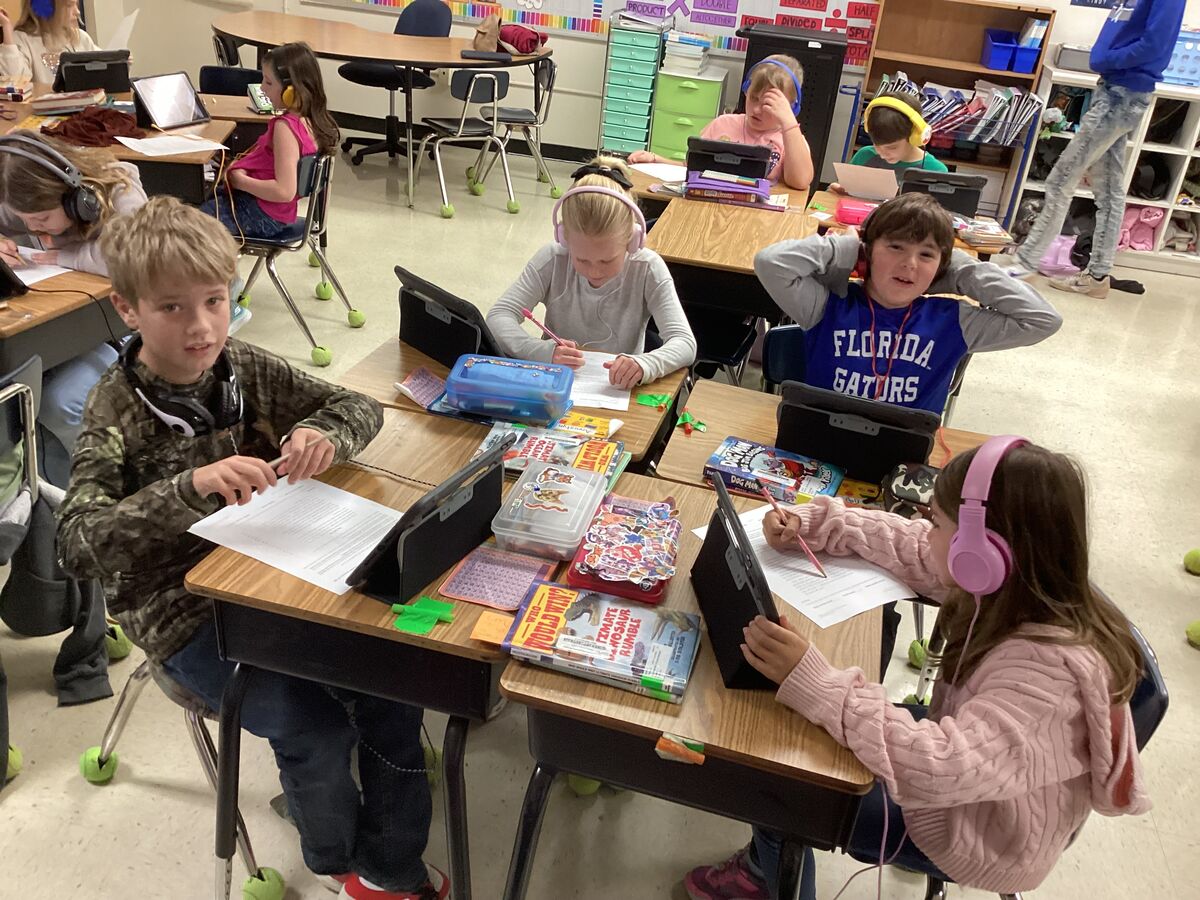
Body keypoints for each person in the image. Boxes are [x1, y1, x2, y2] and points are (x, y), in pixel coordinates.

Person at [57, 197, 447, 900]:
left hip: (274, 568)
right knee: (315, 727)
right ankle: (333, 860)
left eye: (215, 299)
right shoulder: (113, 407)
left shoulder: (241, 366)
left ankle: (390, 865)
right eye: (173, 308)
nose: (202, 325)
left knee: (397, 683)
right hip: (181, 613)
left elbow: (358, 406)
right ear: (128, 310)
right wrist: (186, 488)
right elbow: (79, 545)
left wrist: (323, 435)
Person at [684, 438, 1151, 900]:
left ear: (983, 552)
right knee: (791, 734)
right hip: (971, 763)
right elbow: (907, 543)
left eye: (937, 523)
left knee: (780, 785)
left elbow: (939, 767)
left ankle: (762, 879)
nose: (926, 535)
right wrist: (814, 522)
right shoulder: (1016, 583)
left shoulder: (1048, 677)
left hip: (978, 828)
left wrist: (817, 681)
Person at [754, 193, 1062, 415]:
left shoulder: (955, 322)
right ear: (868, 252)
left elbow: (1043, 320)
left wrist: (959, 271)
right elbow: (770, 263)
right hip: (814, 443)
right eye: (895, 247)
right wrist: (846, 249)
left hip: (902, 464)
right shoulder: (828, 304)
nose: (909, 264)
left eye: (926, 255)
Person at [1002, 0, 1186, 298]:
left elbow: (1155, 46)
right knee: (1109, 192)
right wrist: (1104, 60)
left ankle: (1025, 264)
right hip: (1113, 89)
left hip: (1122, 95)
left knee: (1061, 180)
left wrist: (1106, 60)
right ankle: (1097, 277)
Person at [0, 130, 147, 487]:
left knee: (60, 399)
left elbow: (130, 258)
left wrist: (65, 256)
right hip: (56, 327)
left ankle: (102, 489)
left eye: (42, 219)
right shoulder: (25, 203)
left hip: (123, 325)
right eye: (25, 221)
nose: (33, 229)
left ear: (76, 200)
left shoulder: (120, 189)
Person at [486, 157, 696, 388]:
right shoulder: (553, 258)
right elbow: (499, 316)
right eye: (582, 259)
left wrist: (644, 364)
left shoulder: (647, 268)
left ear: (632, 240)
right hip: (553, 384)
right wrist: (542, 352)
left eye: (607, 260)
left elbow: (685, 342)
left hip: (615, 390)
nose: (594, 271)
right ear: (564, 238)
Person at [201, 41, 338, 242]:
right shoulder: (313, 120)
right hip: (271, 213)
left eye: (268, 82)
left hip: (259, 213)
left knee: (189, 224)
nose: (262, 89)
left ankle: (225, 273)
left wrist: (241, 181)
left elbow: (284, 191)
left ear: (291, 90)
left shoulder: (286, 128)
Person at [629, 54, 814, 190]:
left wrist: (789, 122)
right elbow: (693, 167)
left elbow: (800, 182)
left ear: (791, 108)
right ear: (745, 91)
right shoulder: (723, 124)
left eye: (768, 105)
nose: (757, 110)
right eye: (753, 99)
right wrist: (655, 159)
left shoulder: (790, 138)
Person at [830, 87, 948, 194]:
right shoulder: (865, 156)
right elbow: (837, 193)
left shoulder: (935, 170)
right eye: (876, 145)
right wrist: (837, 191)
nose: (882, 154)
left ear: (914, 136)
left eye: (892, 147)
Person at [0, 0, 96, 84]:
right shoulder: (22, 39)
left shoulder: (81, 38)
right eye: (69, 5)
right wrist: (7, 31)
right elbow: (15, 83)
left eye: (76, 4)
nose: (77, 12)